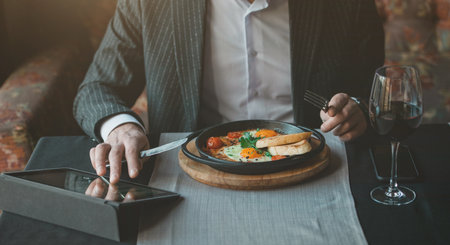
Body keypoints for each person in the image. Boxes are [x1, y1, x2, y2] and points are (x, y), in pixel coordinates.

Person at [74, 0, 385, 184]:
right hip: (189, 173)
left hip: (312, 171)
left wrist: (358, 108)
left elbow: (373, 93)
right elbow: (97, 88)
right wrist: (123, 128)